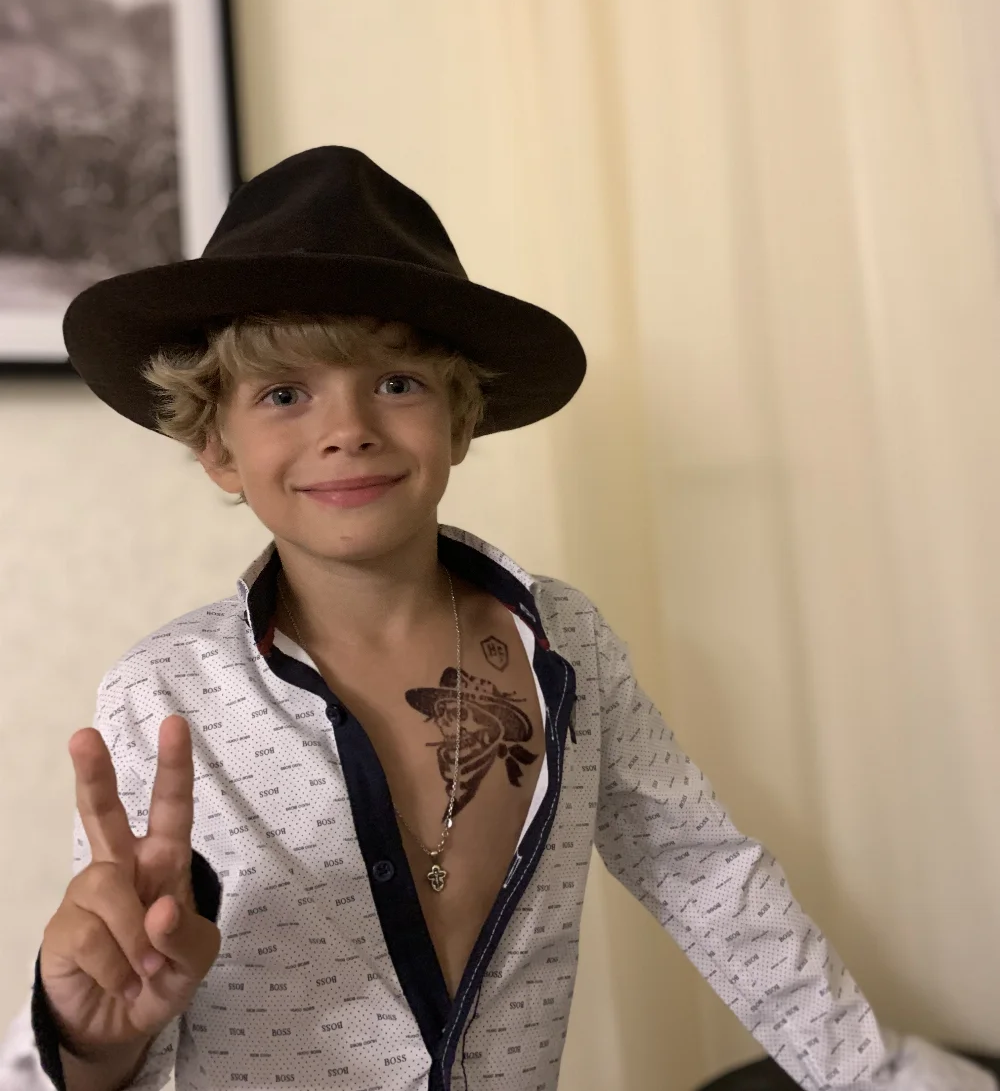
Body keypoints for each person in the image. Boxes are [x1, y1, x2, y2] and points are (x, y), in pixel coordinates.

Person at [3, 147, 994, 1091]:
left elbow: (706, 875)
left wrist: (878, 1074)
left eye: (396, 383)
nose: (347, 428)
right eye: (285, 392)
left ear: (460, 418)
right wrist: (90, 1036)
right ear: (218, 447)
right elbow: (118, 985)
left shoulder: (566, 644)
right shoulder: (164, 698)